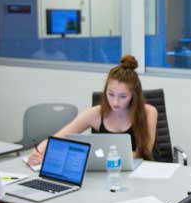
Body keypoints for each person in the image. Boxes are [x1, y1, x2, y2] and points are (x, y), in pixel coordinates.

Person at [27, 55, 157, 166]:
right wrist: (40, 152)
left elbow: (144, 153)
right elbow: (59, 137)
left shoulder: (149, 112)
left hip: (140, 175)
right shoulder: (95, 114)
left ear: (134, 95)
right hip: (106, 176)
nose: (115, 102)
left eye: (123, 96)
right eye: (110, 94)